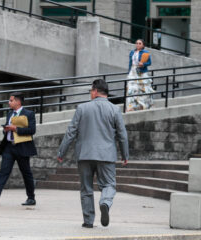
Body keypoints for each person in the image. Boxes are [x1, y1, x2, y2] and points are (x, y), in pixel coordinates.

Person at [57, 79, 129, 228]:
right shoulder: (115, 110)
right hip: (106, 155)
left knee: (86, 188)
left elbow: (70, 132)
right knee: (109, 184)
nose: (91, 93)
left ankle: (88, 221)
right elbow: (122, 135)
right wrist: (125, 155)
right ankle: (105, 202)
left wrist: (61, 152)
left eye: (91, 90)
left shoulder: (82, 108)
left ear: (95, 91)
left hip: (85, 154)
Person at [0, 92, 37, 206]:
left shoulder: (29, 113)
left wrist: (16, 129)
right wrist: (6, 130)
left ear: (18, 102)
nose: (9, 102)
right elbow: (6, 130)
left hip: (22, 147)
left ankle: (31, 198)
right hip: (8, 147)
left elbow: (32, 130)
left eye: (11, 100)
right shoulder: (9, 114)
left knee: (26, 173)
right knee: (3, 172)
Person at [126, 39, 155, 112]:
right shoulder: (132, 52)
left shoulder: (145, 53)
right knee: (131, 89)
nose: (138, 45)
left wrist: (143, 64)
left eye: (140, 43)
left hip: (141, 73)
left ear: (143, 45)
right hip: (133, 72)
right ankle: (130, 107)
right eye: (137, 43)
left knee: (143, 89)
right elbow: (130, 63)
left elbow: (149, 63)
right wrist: (129, 71)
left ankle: (143, 105)